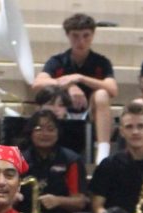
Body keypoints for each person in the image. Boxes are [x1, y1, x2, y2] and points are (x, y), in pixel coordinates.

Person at [31, 14, 117, 164]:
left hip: (90, 111)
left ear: (93, 35)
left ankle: (103, 153)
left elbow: (113, 89)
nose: (81, 41)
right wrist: (69, 85)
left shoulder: (101, 62)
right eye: (75, 36)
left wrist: (80, 78)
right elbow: (37, 84)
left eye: (86, 36)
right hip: (63, 110)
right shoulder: (58, 61)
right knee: (49, 99)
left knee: (102, 94)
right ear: (68, 36)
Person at [16, 109, 88, 213]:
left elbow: (80, 202)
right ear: (30, 132)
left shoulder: (71, 160)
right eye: (39, 129)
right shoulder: (18, 159)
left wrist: (58, 201)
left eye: (50, 129)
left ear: (58, 132)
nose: (45, 134)